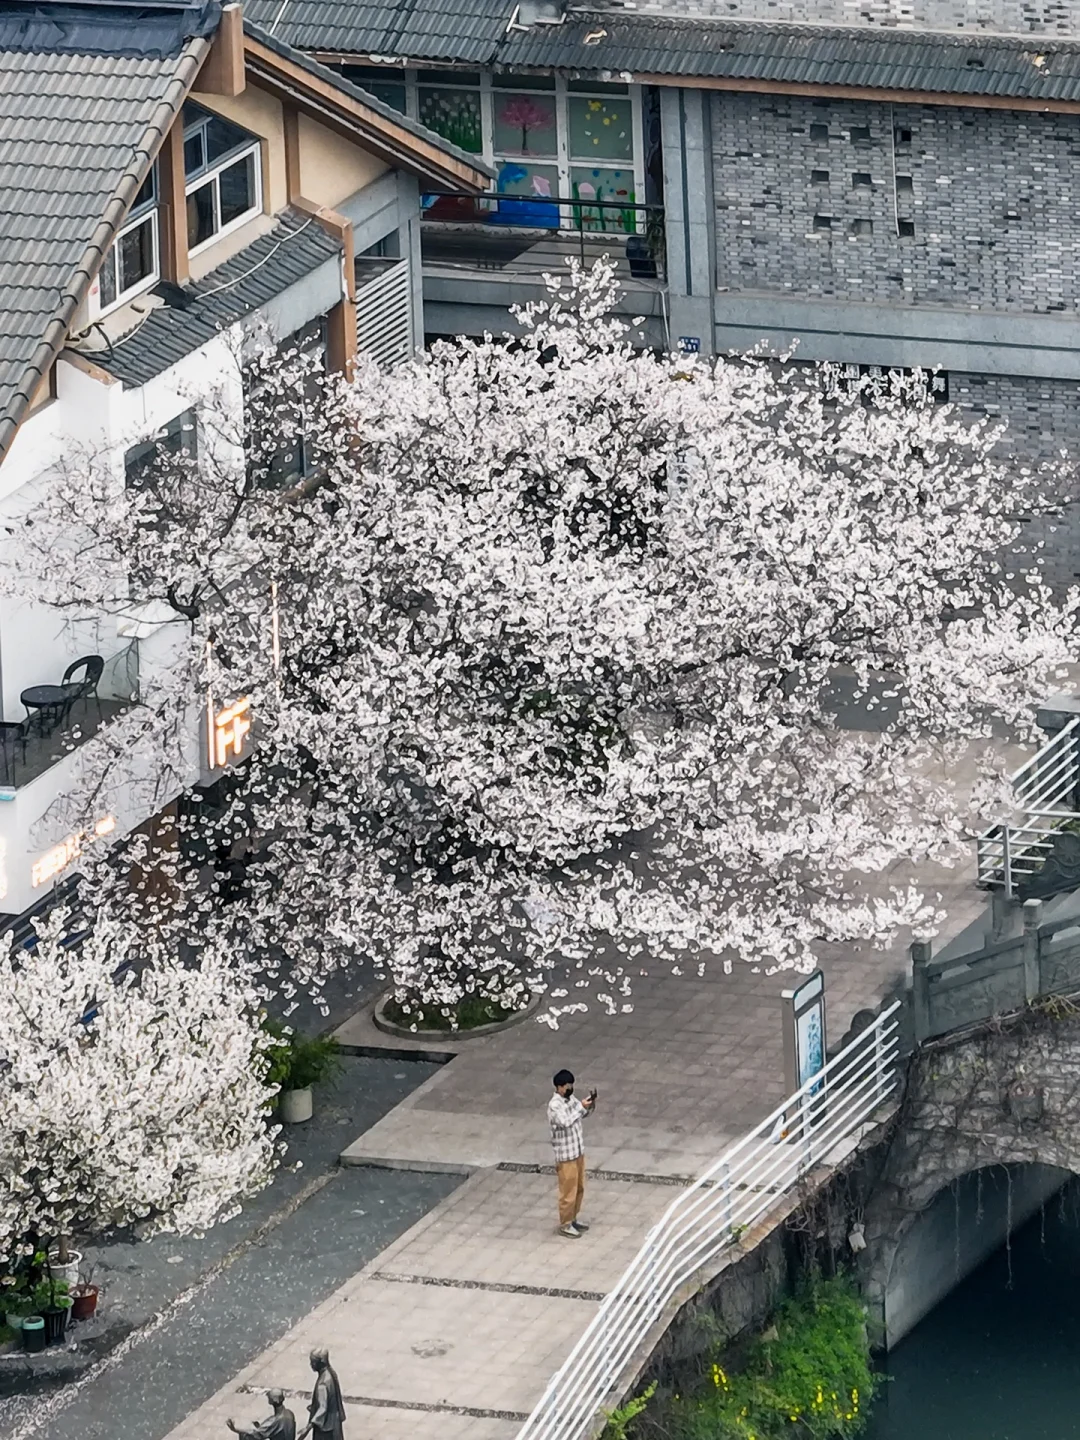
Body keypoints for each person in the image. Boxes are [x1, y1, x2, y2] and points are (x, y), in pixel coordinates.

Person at [548, 1067, 595, 1238]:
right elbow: (565, 1121)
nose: (570, 1088)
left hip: (577, 1152)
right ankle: (565, 1223)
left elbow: (580, 1113)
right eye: (567, 1085)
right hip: (566, 1156)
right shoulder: (554, 1105)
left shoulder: (571, 1100)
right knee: (568, 1191)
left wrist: (586, 1106)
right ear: (559, 1087)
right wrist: (580, 1108)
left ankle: (573, 1218)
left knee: (579, 1188)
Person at [298, 1347, 346, 1440]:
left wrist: (308, 1427)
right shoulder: (330, 1374)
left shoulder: (322, 1384)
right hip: (334, 1423)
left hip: (325, 1427)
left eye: (313, 1362)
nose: (311, 1364)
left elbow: (323, 1408)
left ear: (321, 1363)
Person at [227, 1389, 297, 1440]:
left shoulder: (275, 1421)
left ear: (274, 1400)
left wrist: (236, 1429)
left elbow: (256, 1434)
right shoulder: (290, 1413)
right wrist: (261, 1427)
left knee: (246, 1437)